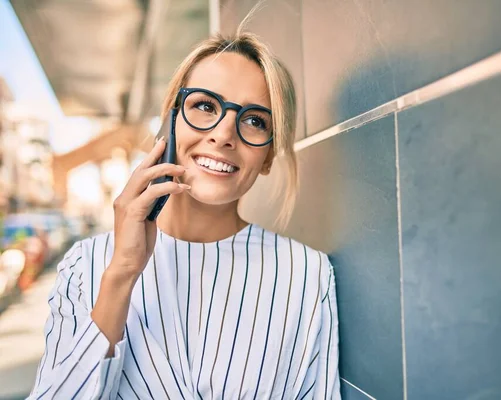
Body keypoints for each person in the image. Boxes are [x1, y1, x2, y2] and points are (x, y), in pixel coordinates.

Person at [27, 29, 340, 399]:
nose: (224, 134)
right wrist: (122, 275)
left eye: (256, 120)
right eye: (205, 106)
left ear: (269, 155)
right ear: (171, 121)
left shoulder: (306, 274)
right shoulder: (88, 265)